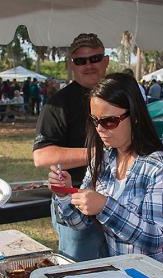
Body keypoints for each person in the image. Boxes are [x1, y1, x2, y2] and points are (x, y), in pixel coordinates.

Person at [48, 73, 163, 273]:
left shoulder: (159, 166)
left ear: (135, 116)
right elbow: (79, 223)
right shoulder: (103, 159)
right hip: (125, 276)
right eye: (94, 120)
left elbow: (155, 238)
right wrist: (65, 194)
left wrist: (104, 207)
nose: (100, 129)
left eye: (109, 121)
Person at [33, 32, 109, 262]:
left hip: (118, 201)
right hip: (75, 204)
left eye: (95, 58)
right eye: (80, 60)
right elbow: (42, 156)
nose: (89, 65)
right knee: (80, 277)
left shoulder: (119, 96)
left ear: (106, 61)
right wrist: (99, 155)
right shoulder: (59, 103)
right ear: (71, 65)